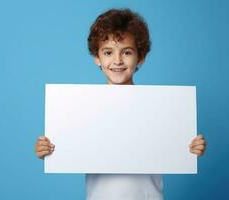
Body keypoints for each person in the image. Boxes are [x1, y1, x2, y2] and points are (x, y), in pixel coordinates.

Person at [34, 8, 206, 200]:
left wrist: (189, 148)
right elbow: (71, 145)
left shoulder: (158, 108)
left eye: (126, 52)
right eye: (108, 52)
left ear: (140, 57)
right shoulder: (83, 109)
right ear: (97, 58)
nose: (117, 60)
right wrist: (49, 151)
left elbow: (173, 147)